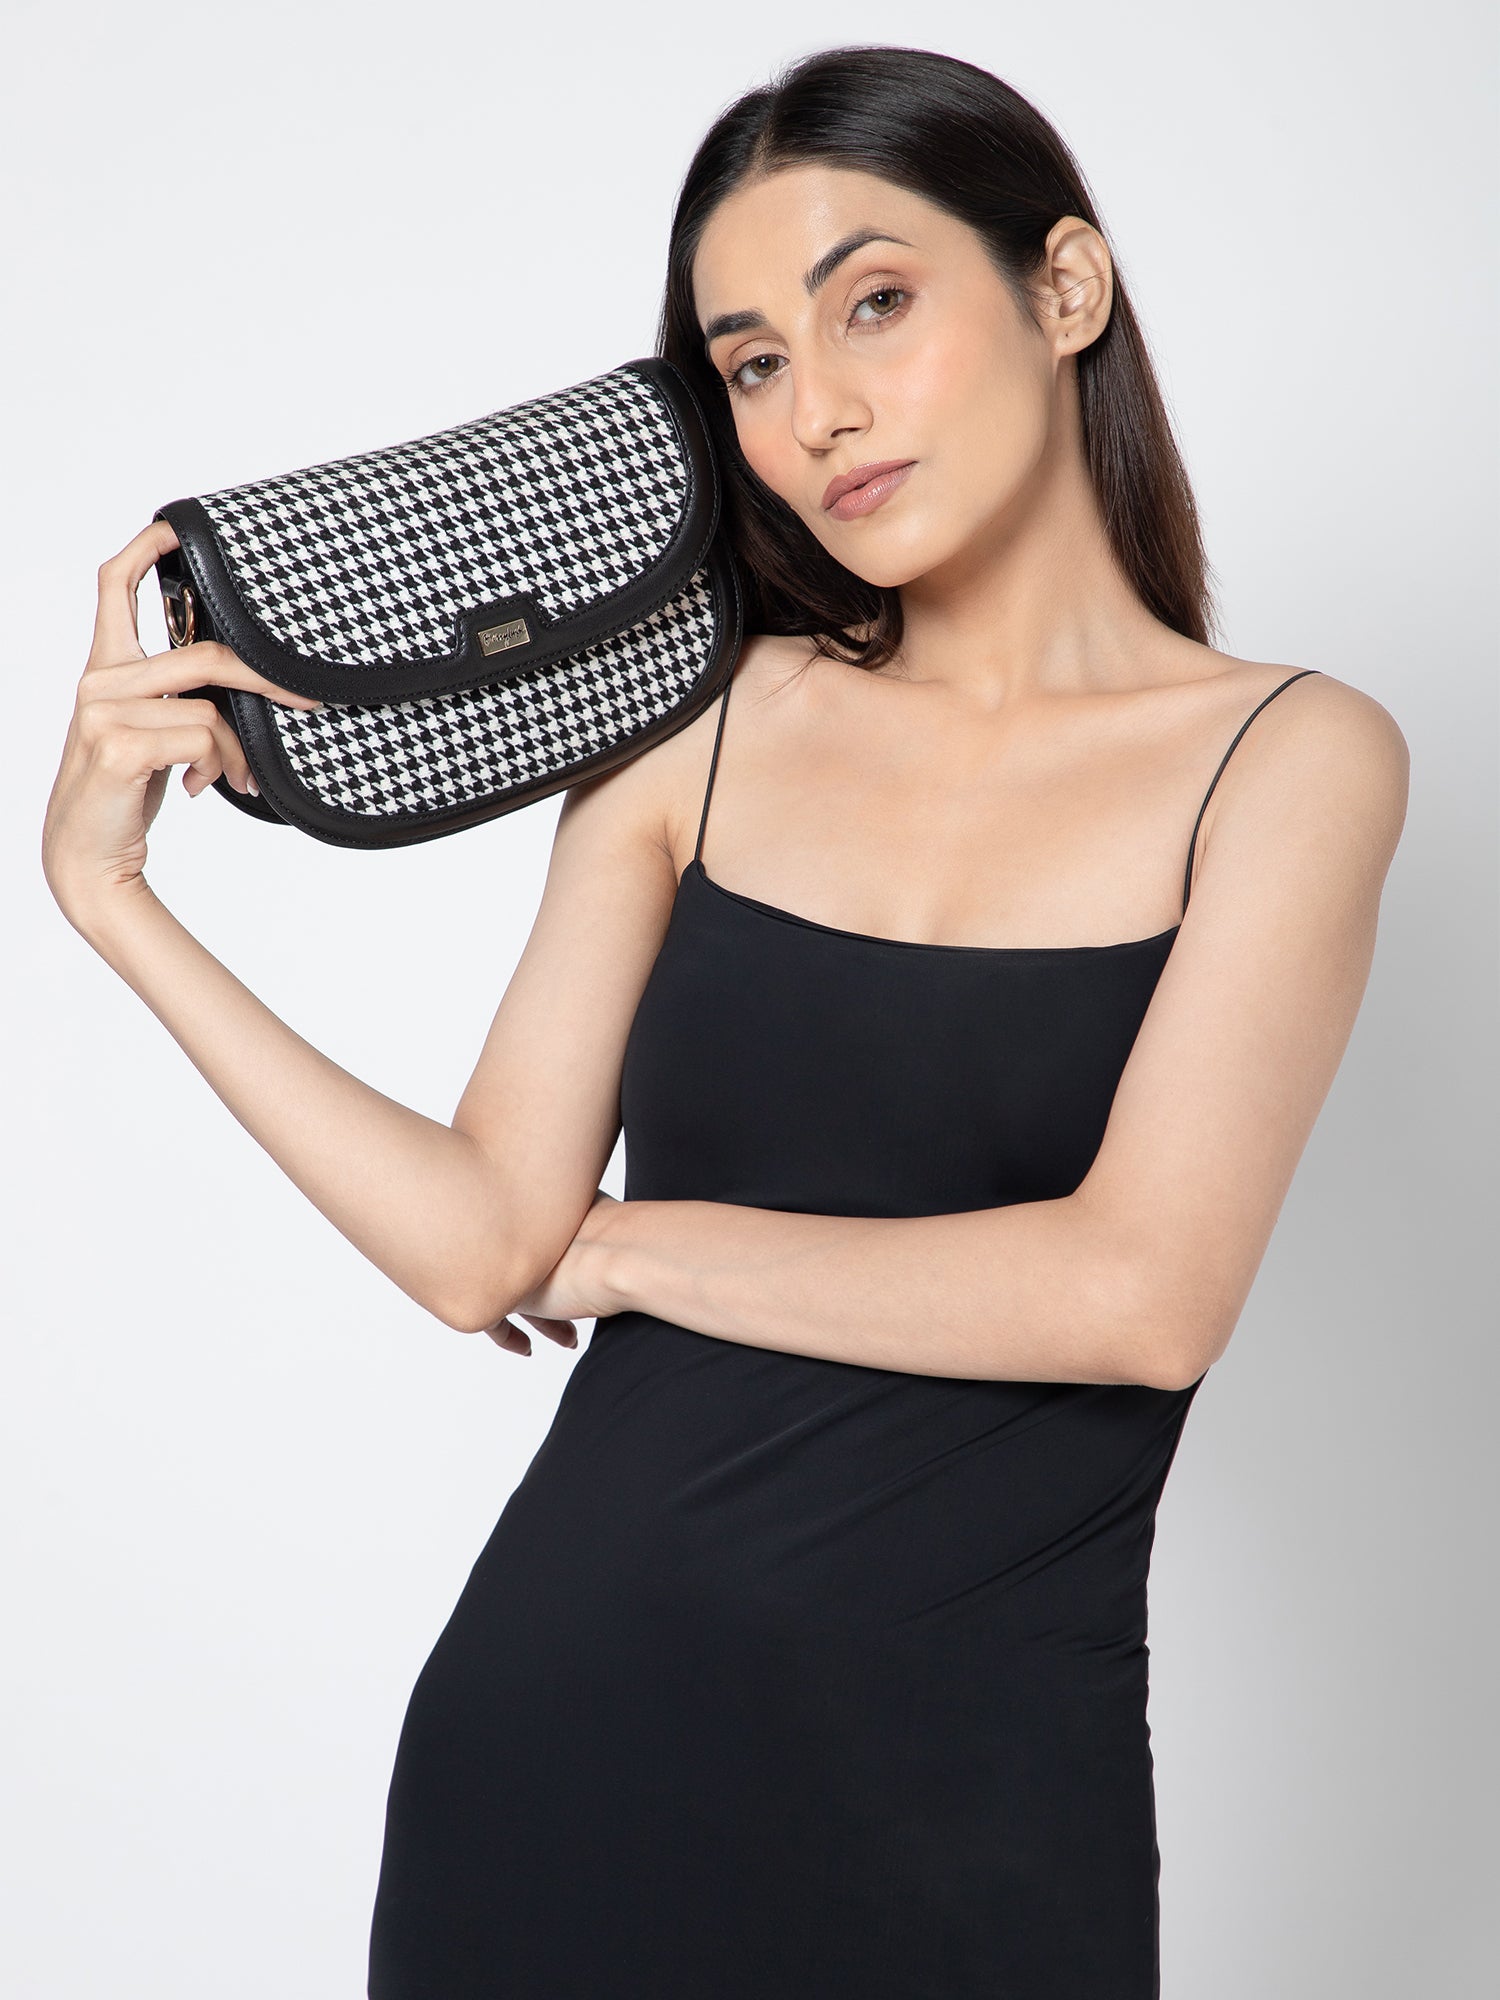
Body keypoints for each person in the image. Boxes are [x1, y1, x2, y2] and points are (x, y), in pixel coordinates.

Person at [42, 42, 1409, 2000]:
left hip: (979, 1808)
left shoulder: (1289, 758)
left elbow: (1139, 1296)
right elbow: (477, 1241)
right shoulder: (698, 715)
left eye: (876, 304)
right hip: (560, 1754)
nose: (816, 408)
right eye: (751, 363)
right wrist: (111, 900)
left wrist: (622, 1248)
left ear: (1065, 288)